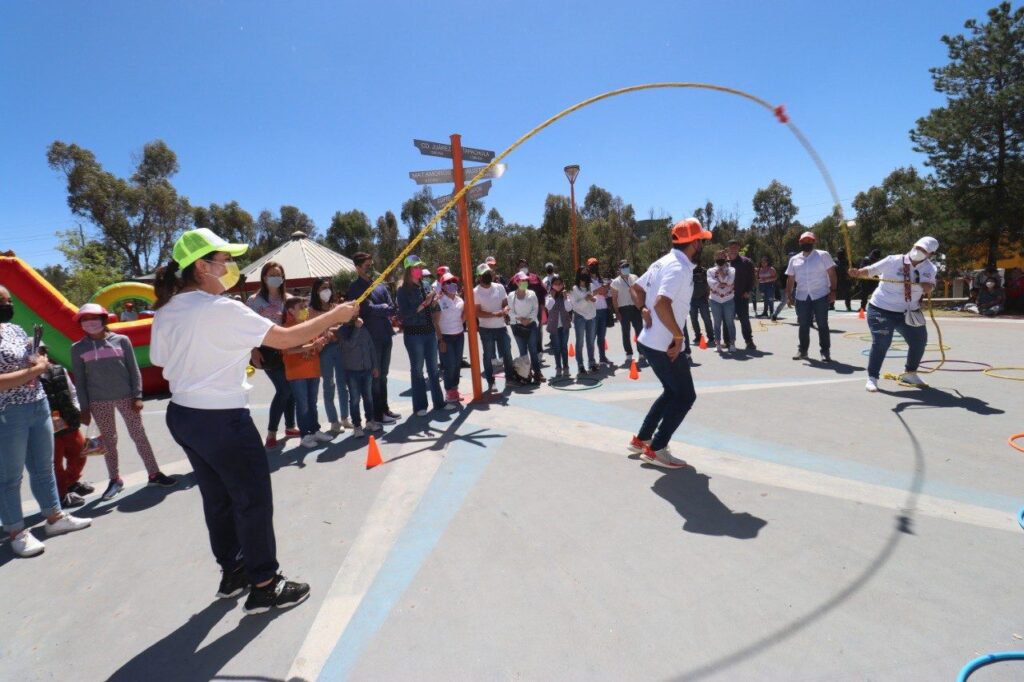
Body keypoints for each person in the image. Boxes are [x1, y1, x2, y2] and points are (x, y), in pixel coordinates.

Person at [151, 227, 358, 613]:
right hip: (222, 419)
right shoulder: (221, 309)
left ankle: (234, 572)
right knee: (253, 501)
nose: (231, 266)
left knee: (218, 500)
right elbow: (281, 339)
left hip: (184, 416)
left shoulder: (167, 311)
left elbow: (161, 360)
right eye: (224, 259)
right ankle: (265, 584)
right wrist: (337, 315)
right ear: (202, 266)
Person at [0, 285, 92, 557]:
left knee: (43, 467)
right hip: (7, 412)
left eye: (8, 299)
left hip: (38, 404)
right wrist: (37, 369)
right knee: (9, 477)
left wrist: (38, 357)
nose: (8, 304)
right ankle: (17, 531)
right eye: (2, 300)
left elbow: (37, 359)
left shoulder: (14, 330)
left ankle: (54, 517)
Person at [627, 218, 711, 468]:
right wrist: (678, 335)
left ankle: (642, 438)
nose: (702, 244)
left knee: (671, 392)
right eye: (702, 241)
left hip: (650, 342)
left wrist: (641, 307)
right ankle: (657, 448)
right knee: (685, 396)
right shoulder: (679, 267)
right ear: (694, 242)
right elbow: (662, 303)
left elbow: (636, 287)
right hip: (665, 344)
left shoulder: (660, 262)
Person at [71, 303, 176, 500]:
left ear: (103, 320)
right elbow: (80, 380)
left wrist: (137, 396)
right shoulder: (77, 349)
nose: (89, 323)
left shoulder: (122, 340)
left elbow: (133, 370)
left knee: (139, 435)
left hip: (127, 397)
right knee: (109, 442)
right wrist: (84, 408)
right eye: (84, 320)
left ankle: (154, 473)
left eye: (93, 318)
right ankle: (114, 479)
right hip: (98, 401)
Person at [848, 237, 938, 392]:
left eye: (924, 250)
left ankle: (910, 373)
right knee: (882, 342)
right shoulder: (893, 260)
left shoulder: (930, 268)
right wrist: (857, 273)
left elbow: (929, 287)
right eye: (917, 247)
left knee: (919, 341)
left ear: (930, 254)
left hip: (909, 311)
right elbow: (870, 271)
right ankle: (872, 377)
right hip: (881, 308)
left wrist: (926, 286)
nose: (918, 251)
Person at [347, 252, 402, 426]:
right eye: (366, 265)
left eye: (371, 264)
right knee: (375, 377)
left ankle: (384, 409)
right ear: (357, 267)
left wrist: (381, 308)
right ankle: (377, 414)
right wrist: (382, 308)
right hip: (370, 339)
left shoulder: (378, 285)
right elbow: (365, 309)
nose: (370, 268)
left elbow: (391, 306)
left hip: (386, 334)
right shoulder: (355, 288)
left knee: (383, 376)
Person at [247, 262, 298, 447]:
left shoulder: (289, 299)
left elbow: (297, 322)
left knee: (290, 390)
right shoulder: (254, 301)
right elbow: (248, 329)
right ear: (264, 277)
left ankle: (290, 426)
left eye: (279, 274)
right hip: (268, 352)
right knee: (283, 390)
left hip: (289, 350)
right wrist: (253, 350)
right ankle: (271, 432)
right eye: (271, 274)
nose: (275, 277)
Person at [38, 343, 92, 508]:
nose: (39, 357)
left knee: (80, 452)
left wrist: (77, 408)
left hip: (68, 420)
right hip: (45, 427)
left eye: (41, 353)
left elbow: (72, 391)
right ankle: (61, 494)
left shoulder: (59, 370)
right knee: (55, 463)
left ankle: (71, 482)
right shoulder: (27, 378)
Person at [396, 255, 445, 416]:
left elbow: (431, 307)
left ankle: (439, 402)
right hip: (413, 335)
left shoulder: (425, 285)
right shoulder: (402, 290)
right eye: (416, 267)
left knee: (433, 369)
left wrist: (435, 301)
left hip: (429, 332)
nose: (419, 270)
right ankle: (420, 406)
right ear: (409, 270)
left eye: (419, 267)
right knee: (417, 370)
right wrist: (425, 302)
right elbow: (405, 315)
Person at [282, 297, 332, 448]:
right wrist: (311, 346)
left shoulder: (310, 326)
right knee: (302, 405)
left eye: (305, 306)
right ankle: (305, 435)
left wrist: (321, 343)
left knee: (312, 403)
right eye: (301, 307)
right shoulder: (286, 328)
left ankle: (315, 430)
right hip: (296, 373)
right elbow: (288, 351)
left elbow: (316, 348)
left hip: (313, 370)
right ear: (291, 311)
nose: (305, 310)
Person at [309, 277, 352, 434]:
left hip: (339, 347)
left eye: (328, 287)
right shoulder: (311, 311)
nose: (326, 291)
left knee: (343, 384)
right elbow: (311, 331)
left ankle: (345, 418)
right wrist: (326, 334)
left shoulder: (336, 307)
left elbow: (345, 326)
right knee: (329, 384)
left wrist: (337, 331)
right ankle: (334, 421)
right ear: (316, 291)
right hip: (324, 351)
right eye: (322, 288)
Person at [785, 231, 837, 362]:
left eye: (810, 241)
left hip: (820, 295)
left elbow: (832, 274)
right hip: (802, 296)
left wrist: (833, 291)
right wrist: (789, 295)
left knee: (822, 324)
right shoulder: (794, 259)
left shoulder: (823, 255)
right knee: (803, 325)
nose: (807, 243)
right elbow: (790, 278)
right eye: (804, 241)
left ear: (814, 242)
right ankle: (803, 350)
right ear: (800, 242)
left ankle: (825, 352)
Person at [474, 263, 517, 391]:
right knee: (489, 356)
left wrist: (505, 310)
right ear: (479, 277)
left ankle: (509, 379)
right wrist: (496, 314)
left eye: (489, 273)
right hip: (485, 329)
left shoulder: (499, 287)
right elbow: (477, 312)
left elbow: (505, 304)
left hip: (501, 327)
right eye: (484, 274)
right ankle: (491, 382)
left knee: (507, 354)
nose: (487, 276)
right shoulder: (475, 292)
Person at [339, 316, 379, 437]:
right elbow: (349, 346)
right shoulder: (343, 330)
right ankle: (357, 426)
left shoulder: (364, 329)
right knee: (355, 399)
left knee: (368, 397)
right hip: (352, 371)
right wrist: (356, 329)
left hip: (366, 369)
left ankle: (370, 421)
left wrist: (375, 366)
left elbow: (371, 347)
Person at [508, 273, 544, 384]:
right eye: (522, 281)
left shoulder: (532, 294)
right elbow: (510, 311)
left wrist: (528, 320)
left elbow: (535, 309)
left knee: (533, 350)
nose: (524, 283)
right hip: (517, 326)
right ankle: (525, 374)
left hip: (531, 324)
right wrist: (520, 319)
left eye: (526, 281)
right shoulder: (511, 296)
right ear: (517, 282)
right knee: (523, 351)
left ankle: (537, 373)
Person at [437, 272, 465, 406]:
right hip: (446, 337)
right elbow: (435, 322)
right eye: (448, 283)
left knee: (457, 363)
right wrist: (440, 340)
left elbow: (462, 317)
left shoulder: (460, 301)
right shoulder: (439, 301)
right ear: (443, 286)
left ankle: (455, 389)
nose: (451, 285)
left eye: (453, 282)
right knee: (449, 365)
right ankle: (449, 391)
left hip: (459, 335)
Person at [610, 260, 641, 365]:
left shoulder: (635, 277)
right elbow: (614, 299)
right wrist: (617, 312)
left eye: (627, 266)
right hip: (623, 309)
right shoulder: (615, 282)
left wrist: (641, 306)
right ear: (619, 269)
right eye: (623, 266)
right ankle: (629, 353)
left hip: (635, 307)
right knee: (626, 332)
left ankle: (641, 352)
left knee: (639, 330)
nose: (626, 268)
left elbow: (640, 291)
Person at [727, 240, 756, 350]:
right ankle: (728, 341)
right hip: (727, 298)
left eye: (735, 246)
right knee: (728, 321)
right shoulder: (725, 263)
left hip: (742, 297)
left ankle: (749, 341)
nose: (733, 249)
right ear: (728, 248)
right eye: (731, 247)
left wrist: (748, 291)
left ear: (739, 248)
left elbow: (752, 279)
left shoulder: (746, 262)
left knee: (744, 320)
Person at [707, 250, 737, 354]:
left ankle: (732, 344)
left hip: (728, 299)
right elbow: (712, 283)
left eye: (722, 256)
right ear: (715, 258)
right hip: (715, 300)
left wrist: (722, 276)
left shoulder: (731, 269)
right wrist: (723, 282)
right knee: (717, 323)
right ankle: (718, 344)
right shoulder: (710, 270)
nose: (720, 258)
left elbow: (730, 281)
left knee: (730, 322)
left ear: (725, 257)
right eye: (718, 256)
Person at [570, 268, 598, 376]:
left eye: (586, 276)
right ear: (578, 277)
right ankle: (580, 366)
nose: (584, 280)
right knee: (580, 342)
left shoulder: (590, 286)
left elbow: (594, 299)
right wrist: (586, 299)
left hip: (591, 316)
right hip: (580, 317)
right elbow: (575, 305)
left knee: (590, 341)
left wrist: (593, 299)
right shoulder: (574, 289)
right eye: (582, 277)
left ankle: (591, 363)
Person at [544, 275, 573, 378]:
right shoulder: (548, 296)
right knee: (557, 348)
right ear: (552, 285)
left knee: (564, 348)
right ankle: (558, 368)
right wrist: (551, 296)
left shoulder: (566, 295)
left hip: (564, 326)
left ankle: (566, 368)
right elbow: (548, 306)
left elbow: (569, 308)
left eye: (560, 284)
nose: (558, 286)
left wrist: (565, 298)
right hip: (554, 326)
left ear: (563, 284)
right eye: (555, 284)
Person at [587, 258, 613, 366]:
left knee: (601, 337)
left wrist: (607, 290)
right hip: (593, 312)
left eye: (596, 264)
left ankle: (602, 358)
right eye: (592, 265)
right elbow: (587, 295)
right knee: (592, 337)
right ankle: (591, 360)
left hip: (603, 310)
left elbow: (608, 294)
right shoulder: (587, 281)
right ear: (588, 267)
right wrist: (599, 290)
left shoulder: (601, 279)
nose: (594, 266)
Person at [688, 261, 714, 347]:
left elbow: (709, 283)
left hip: (703, 299)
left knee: (706, 318)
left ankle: (711, 337)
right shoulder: (688, 271)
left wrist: (707, 294)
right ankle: (698, 336)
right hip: (692, 299)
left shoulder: (705, 271)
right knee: (693, 319)